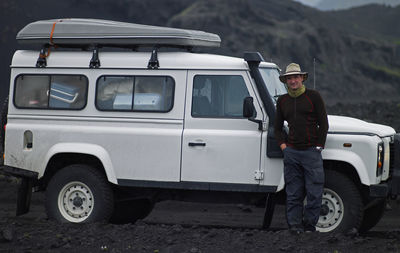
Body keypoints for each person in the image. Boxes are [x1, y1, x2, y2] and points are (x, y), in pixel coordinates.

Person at [274, 63, 329, 233]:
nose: (293, 81)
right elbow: (276, 128)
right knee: (293, 192)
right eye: (289, 78)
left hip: (312, 152)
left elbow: (324, 124)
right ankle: (294, 226)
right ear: (286, 81)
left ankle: (309, 226)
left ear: (302, 78)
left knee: (314, 192)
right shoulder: (282, 101)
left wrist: (319, 146)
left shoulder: (314, 96)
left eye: (296, 77)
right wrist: (284, 147)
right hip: (292, 153)